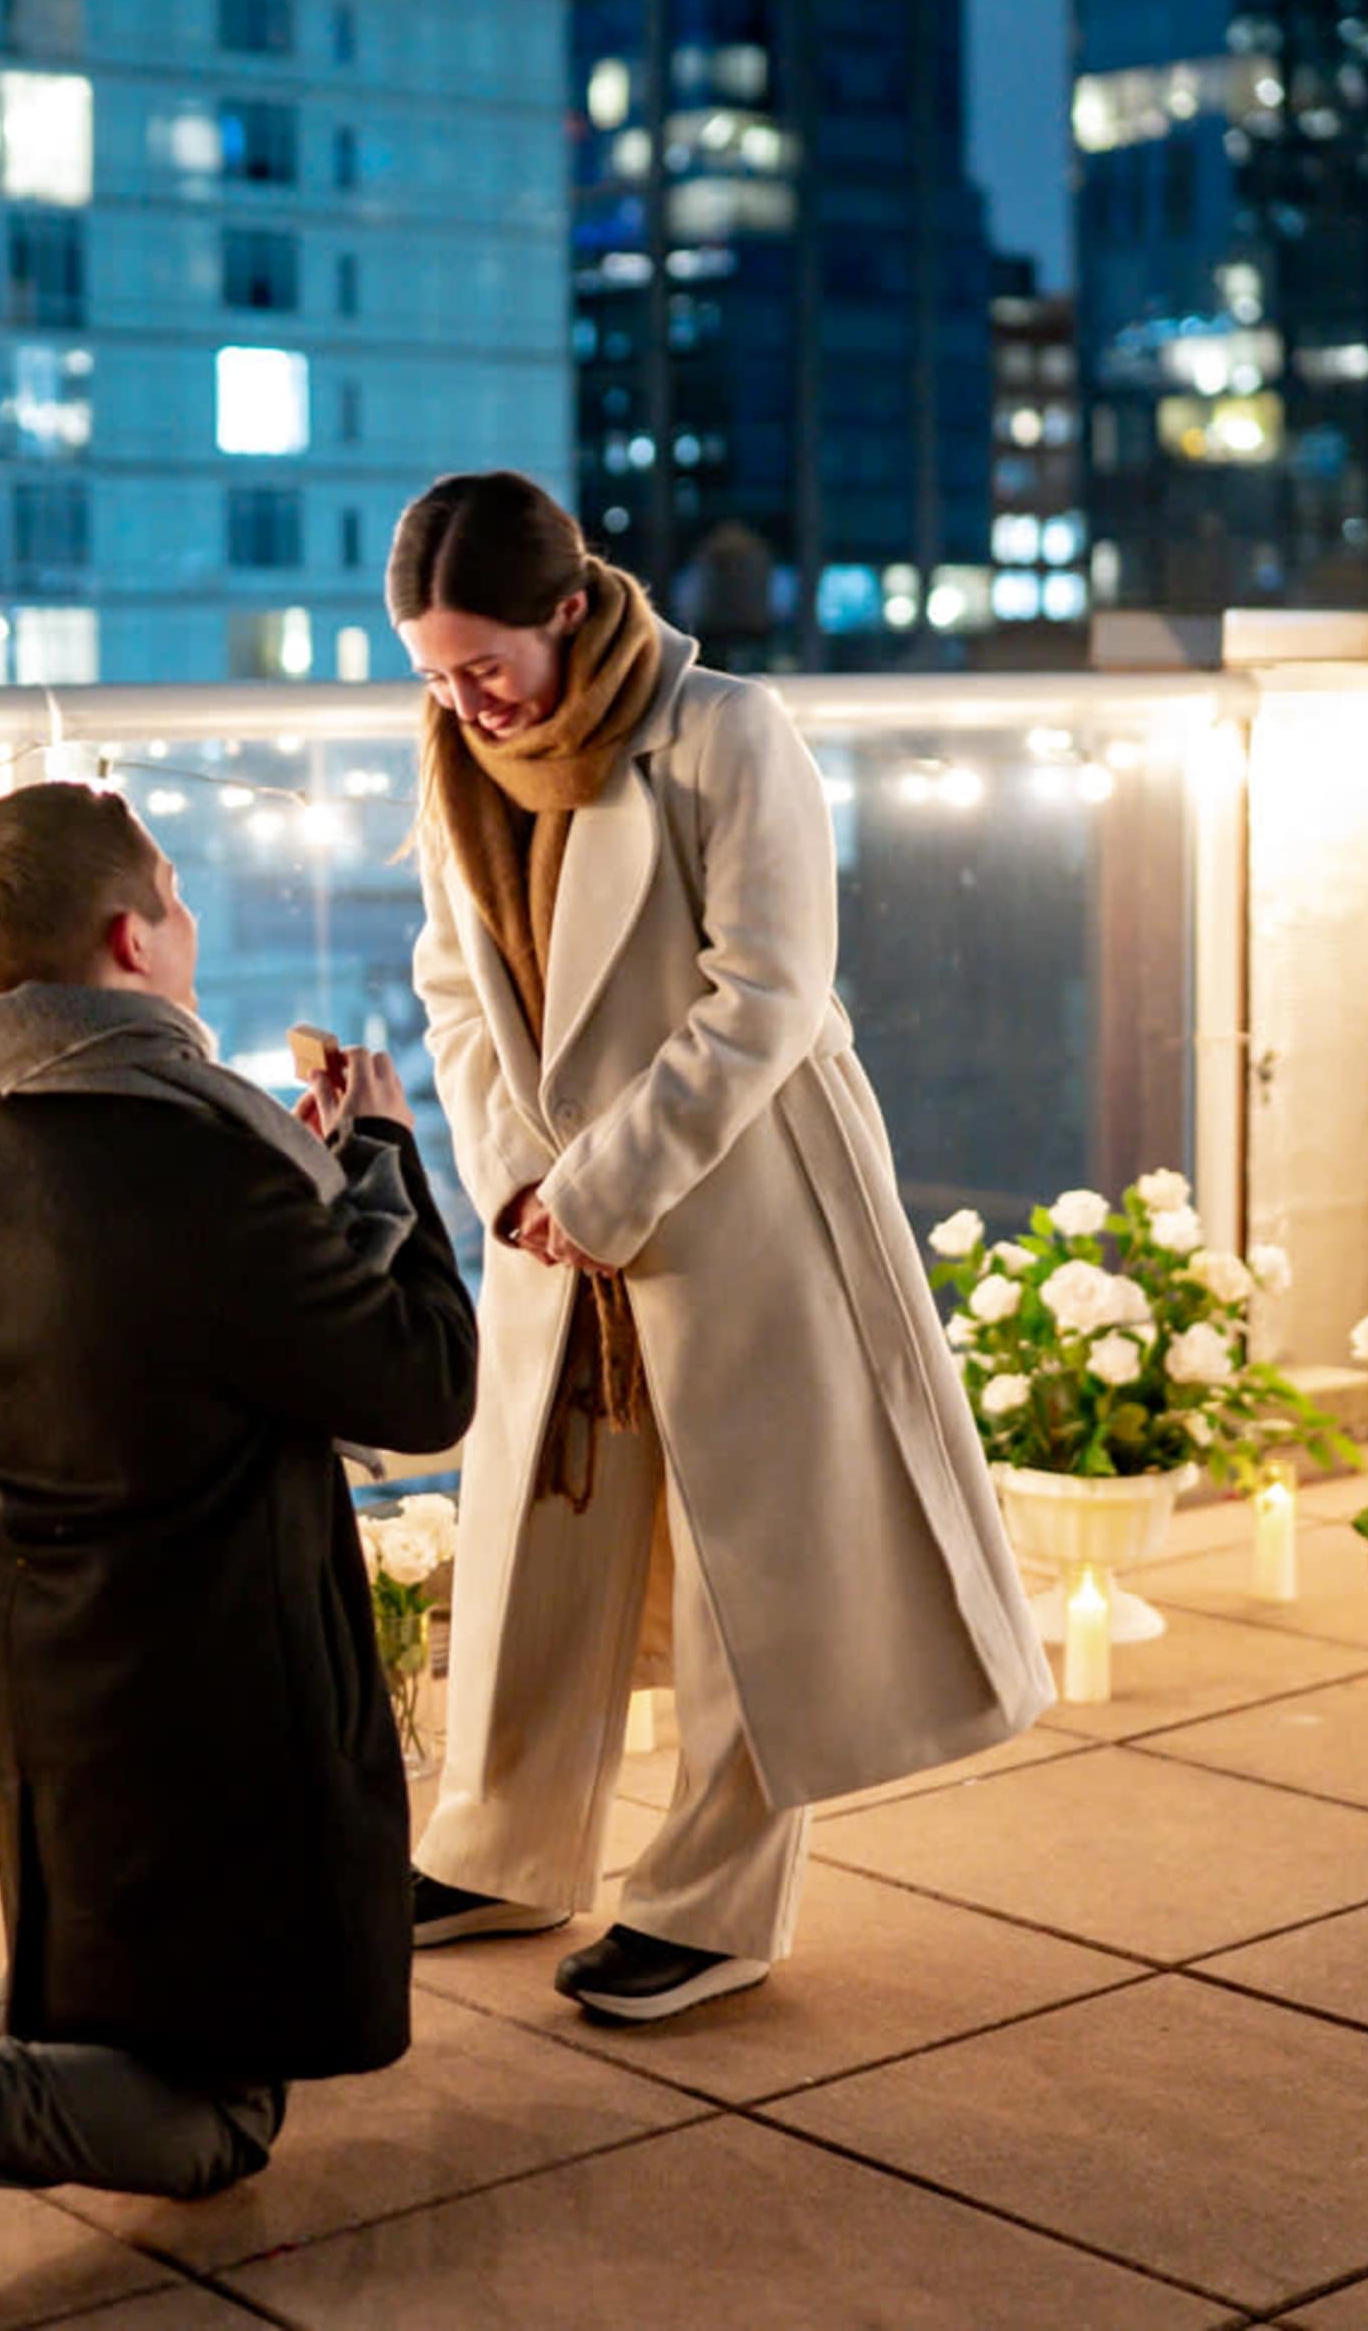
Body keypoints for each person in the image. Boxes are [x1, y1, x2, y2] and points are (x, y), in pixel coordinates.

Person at [0, 778, 480, 2286]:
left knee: (115, 1990)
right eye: (179, 898)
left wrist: (307, 1200)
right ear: (132, 938)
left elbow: (184, 1338)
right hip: (218, 1682)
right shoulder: (207, 1163)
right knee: (222, 2115)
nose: (190, 924)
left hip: (51, 1668)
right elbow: (419, 1380)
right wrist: (382, 1161)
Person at [390, 469, 1052, 2024]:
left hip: (746, 1195)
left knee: (748, 1558)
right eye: (431, 668)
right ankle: (501, 1845)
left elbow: (765, 996)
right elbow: (445, 984)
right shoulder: (453, 755)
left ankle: (711, 1905)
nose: (464, 699)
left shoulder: (726, 732)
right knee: (536, 1544)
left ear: (571, 606)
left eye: (484, 661)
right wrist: (514, 1181)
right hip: (556, 1208)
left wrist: (606, 1184)